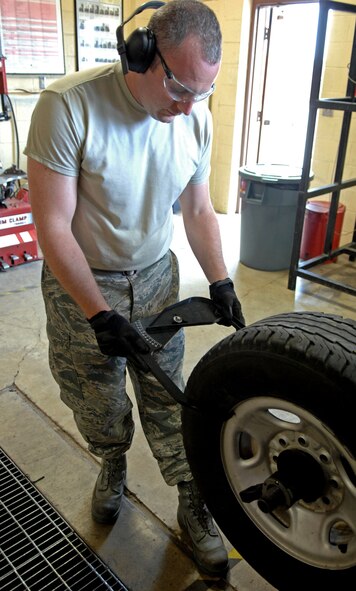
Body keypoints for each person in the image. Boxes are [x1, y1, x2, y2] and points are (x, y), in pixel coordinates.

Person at [25, 0, 244, 577]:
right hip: (82, 286)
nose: (189, 106)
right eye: (178, 87)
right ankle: (111, 460)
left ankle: (193, 503)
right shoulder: (68, 105)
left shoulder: (193, 113)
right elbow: (51, 226)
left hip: (154, 282)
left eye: (203, 92)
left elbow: (198, 209)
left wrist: (220, 279)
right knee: (99, 403)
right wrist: (99, 315)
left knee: (175, 399)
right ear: (141, 53)